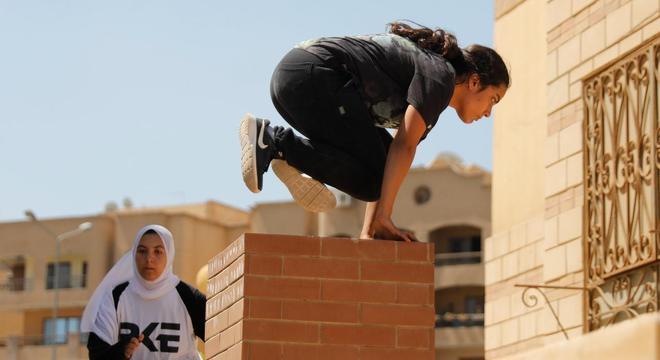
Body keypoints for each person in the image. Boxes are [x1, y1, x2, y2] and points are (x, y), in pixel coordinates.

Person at [239, 21, 510, 242]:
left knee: (375, 179)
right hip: (313, 77)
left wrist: (370, 233)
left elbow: (391, 160)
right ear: (475, 82)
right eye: (493, 100)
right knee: (374, 178)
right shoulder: (440, 76)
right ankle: (275, 142)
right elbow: (405, 146)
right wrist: (385, 217)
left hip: (296, 82)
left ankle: (285, 151)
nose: (488, 113)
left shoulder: (432, 93)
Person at [81, 225, 206, 359]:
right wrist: (121, 351)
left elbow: (223, 334)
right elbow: (97, 354)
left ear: (169, 254)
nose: (149, 259)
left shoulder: (189, 298)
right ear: (134, 254)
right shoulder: (115, 298)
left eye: (158, 252)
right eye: (142, 251)